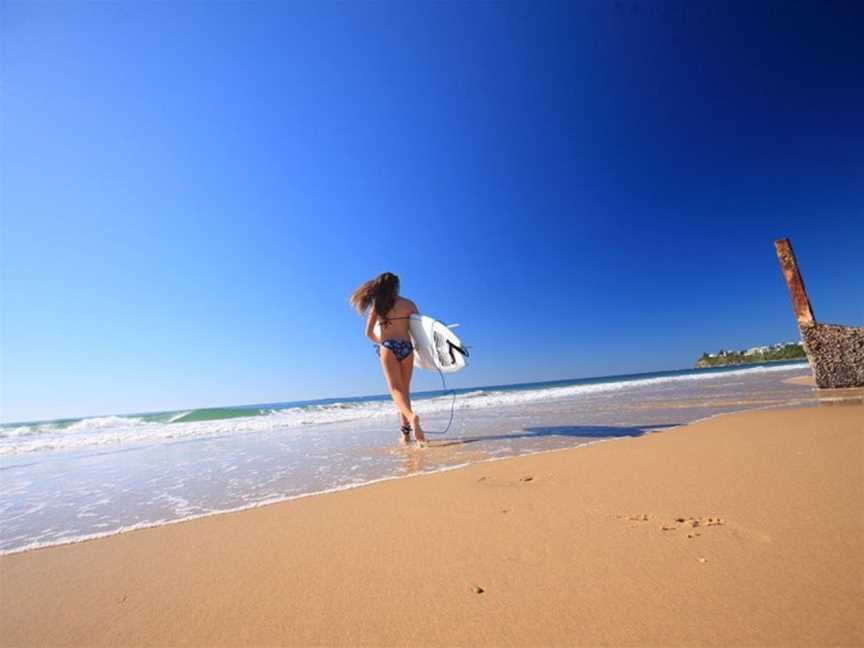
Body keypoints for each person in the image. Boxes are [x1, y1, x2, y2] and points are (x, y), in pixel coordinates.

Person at [350, 272, 426, 445]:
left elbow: (368, 333)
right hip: (407, 348)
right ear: (396, 287)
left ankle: (412, 418)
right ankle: (406, 435)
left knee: (395, 390)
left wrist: (383, 343)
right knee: (404, 392)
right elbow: (419, 330)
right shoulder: (409, 304)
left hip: (389, 347)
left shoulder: (378, 306)